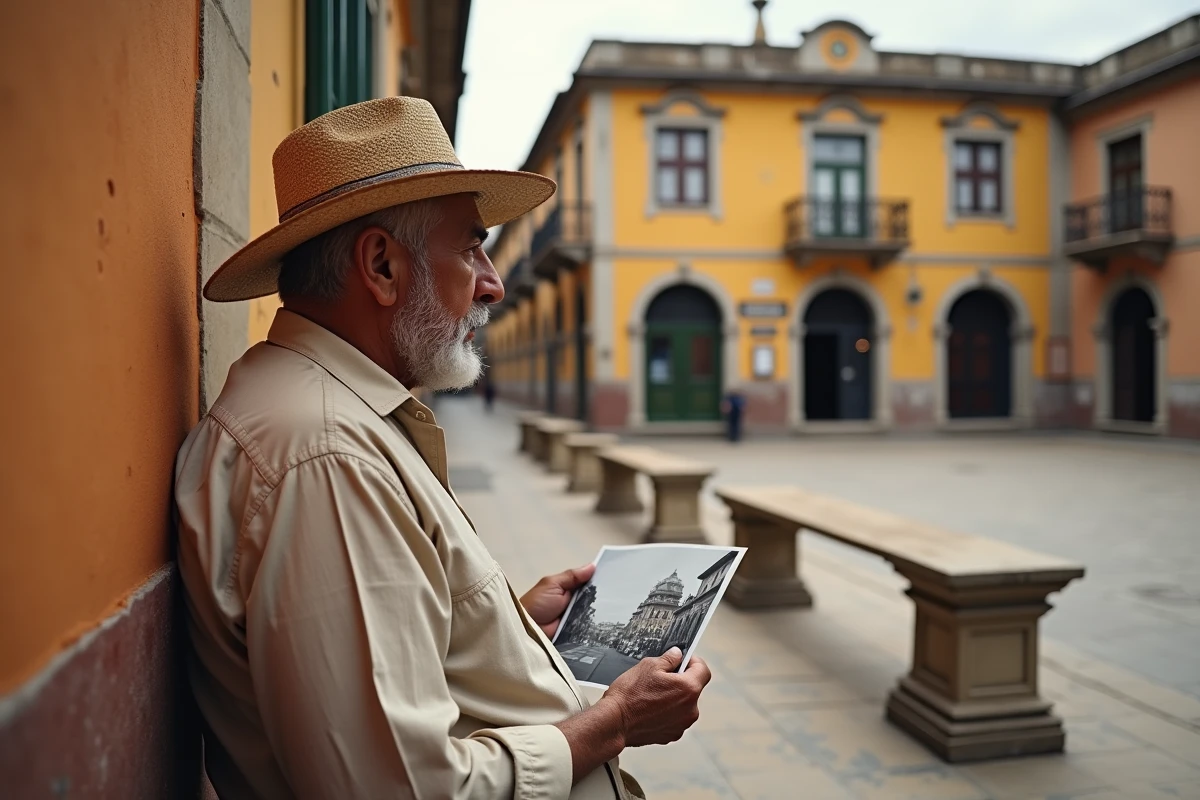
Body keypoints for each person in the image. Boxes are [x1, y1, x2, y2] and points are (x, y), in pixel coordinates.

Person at [174, 97, 710, 799]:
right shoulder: (328, 455)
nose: (492, 282)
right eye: (470, 246)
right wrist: (612, 721)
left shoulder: (327, 419)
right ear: (382, 266)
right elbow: (395, 788)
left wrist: (499, 624)